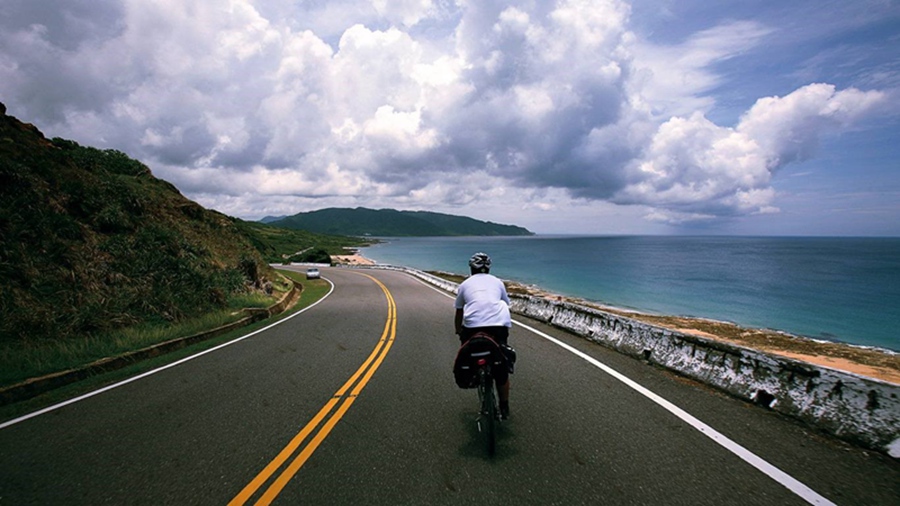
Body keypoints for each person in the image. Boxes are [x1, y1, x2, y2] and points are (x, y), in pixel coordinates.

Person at [455, 252, 512, 419]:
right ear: (489, 268)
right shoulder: (498, 282)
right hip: (498, 326)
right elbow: (505, 303)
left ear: (471, 268)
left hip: (472, 327)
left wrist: (458, 331)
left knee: (469, 350)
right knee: (501, 363)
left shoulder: (465, 284)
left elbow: (459, 312)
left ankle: (474, 375)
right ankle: (504, 406)